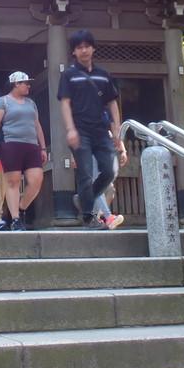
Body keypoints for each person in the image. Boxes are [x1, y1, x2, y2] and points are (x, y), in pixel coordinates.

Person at [58, 29, 125, 230]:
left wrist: (117, 130)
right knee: (86, 174)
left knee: (110, 171)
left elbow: (112, 103)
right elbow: (65, 103)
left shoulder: (103, 75)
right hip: (80, 131)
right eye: (79, 47)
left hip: (101, 131)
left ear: (93, 48)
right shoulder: (69, 75)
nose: (84, 50)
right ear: (74, 52)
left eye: (87, 46)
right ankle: (88, 217)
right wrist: (70, 129)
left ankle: (84, 199)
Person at [0, 70, 48, 231]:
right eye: (26, 83)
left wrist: (42, 146)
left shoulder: (31, 103)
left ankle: (20, 207)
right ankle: (15, 219)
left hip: (31, 145)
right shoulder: (2, 102)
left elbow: (37, 125)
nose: (28, 86)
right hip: (11, 144)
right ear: (16, 84)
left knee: (37, 179)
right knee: (13, 182)